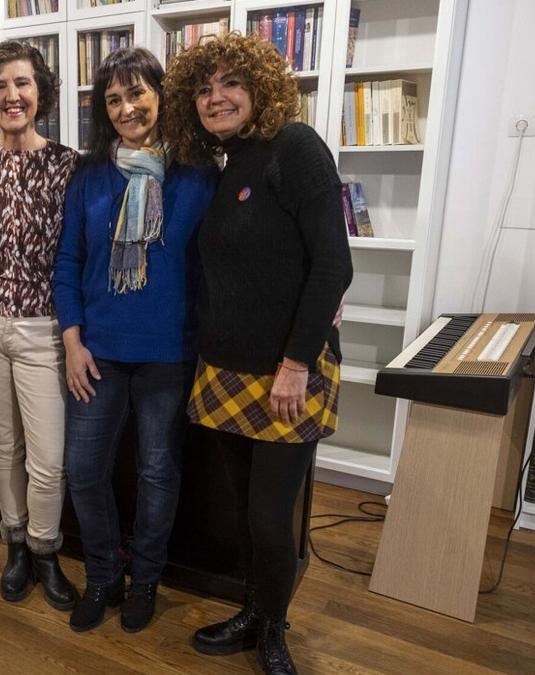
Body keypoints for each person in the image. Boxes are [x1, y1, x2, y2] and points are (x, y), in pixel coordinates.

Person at [161, 33, 353, 675]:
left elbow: (333, 266)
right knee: (244, 513)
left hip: (285, 373)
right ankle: (253, 609)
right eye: (204, 88)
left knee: (272, 518)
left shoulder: (295, 149)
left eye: (230, 84)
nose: (216, 98)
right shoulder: (225, 165)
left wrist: (296, 364)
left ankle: (274, 629)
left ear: (260, 89)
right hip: (223, 373)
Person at [53, 47, 216, 634]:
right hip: (96, 352)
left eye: (137, 93)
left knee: (157, 473)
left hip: (169, 353)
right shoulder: (90, 176)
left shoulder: (198, 175)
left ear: (161, 96)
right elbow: (68, 261)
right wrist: (72, 340)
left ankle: (145, 578)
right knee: (85, 469)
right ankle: (103, 574)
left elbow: (216, 264)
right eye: (114, 99)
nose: (127, 108)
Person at [0, 40, 81, 611]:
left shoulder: (68, 164)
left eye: (23, 84)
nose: (12, 95)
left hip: (42, 330)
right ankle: (15, 544)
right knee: (1, 445)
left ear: (40, 93)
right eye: (0, 85)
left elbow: (77, 254)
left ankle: (45, 548)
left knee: (48, 458)